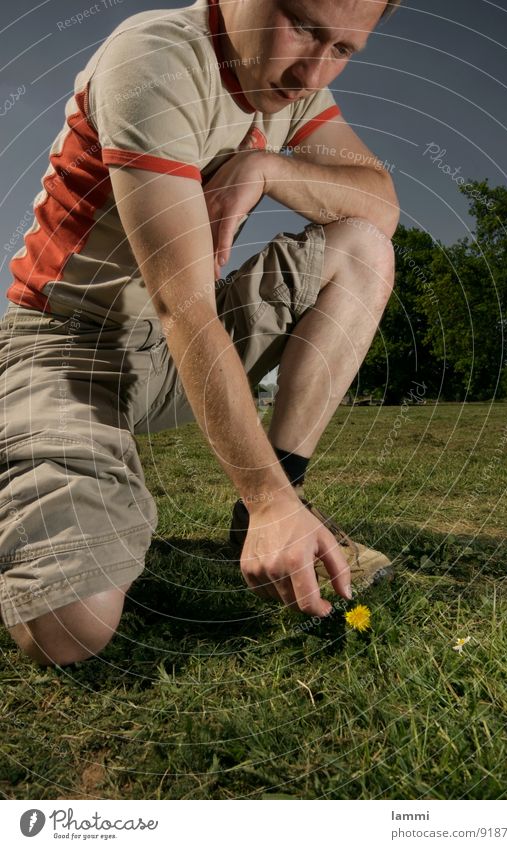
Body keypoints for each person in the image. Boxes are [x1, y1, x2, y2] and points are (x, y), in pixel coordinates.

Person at [0, 0, 401, 666]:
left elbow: (379, 202)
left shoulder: (294, 90)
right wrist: (263, 494)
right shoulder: (157, 58)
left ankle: (277, 496)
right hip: (63, 346)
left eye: (341, 49)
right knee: (73, 630)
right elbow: (180, 303)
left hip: (166, 352)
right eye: (301, 26)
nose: (310, 72)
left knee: (362, 246)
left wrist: (271, 170)